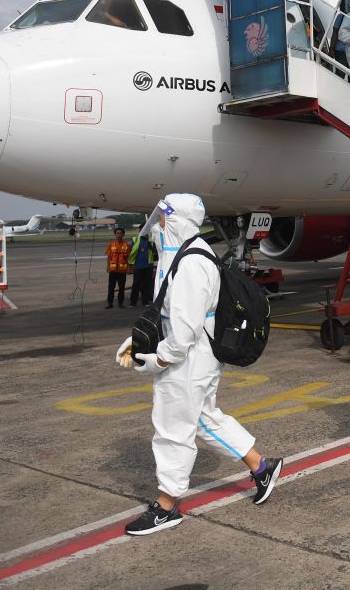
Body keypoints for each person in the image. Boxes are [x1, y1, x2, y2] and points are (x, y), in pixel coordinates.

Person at [120, 193, 282, 536]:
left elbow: (182, 333)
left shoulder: (192, 262)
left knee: (173, 428)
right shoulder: (186, 252)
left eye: (163, 219)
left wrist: (154, 360)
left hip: (188, 358)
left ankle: (166, 507)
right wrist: (138, 341)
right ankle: (261, 467)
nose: (158, 225)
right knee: (204, 418)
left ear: (176, 221)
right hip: (196, 355)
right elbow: (168, 312)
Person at [127, 232, 158, 308]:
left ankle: (145, 301)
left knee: (146, 284)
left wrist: (152, 247)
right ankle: (133, 302)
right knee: (136, 284)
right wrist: (130, 264)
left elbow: (156, 253)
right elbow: (129, 251)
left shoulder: (152, 240)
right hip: (137, 266)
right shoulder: (135, 239)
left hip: (148, 266)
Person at [104, 227, 130, 309]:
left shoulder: (127, 245)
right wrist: (108, 266)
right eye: (117, 233)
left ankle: (120, 303)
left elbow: (129, 258)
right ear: (115, 234)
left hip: (122, 271)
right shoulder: (111, 245)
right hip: (113, 271)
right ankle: (110, 303)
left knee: (121, 288)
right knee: (111, 288)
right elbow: (108, 257)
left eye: (120, 233)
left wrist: (129, 268)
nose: (119, 235)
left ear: (123, 234)